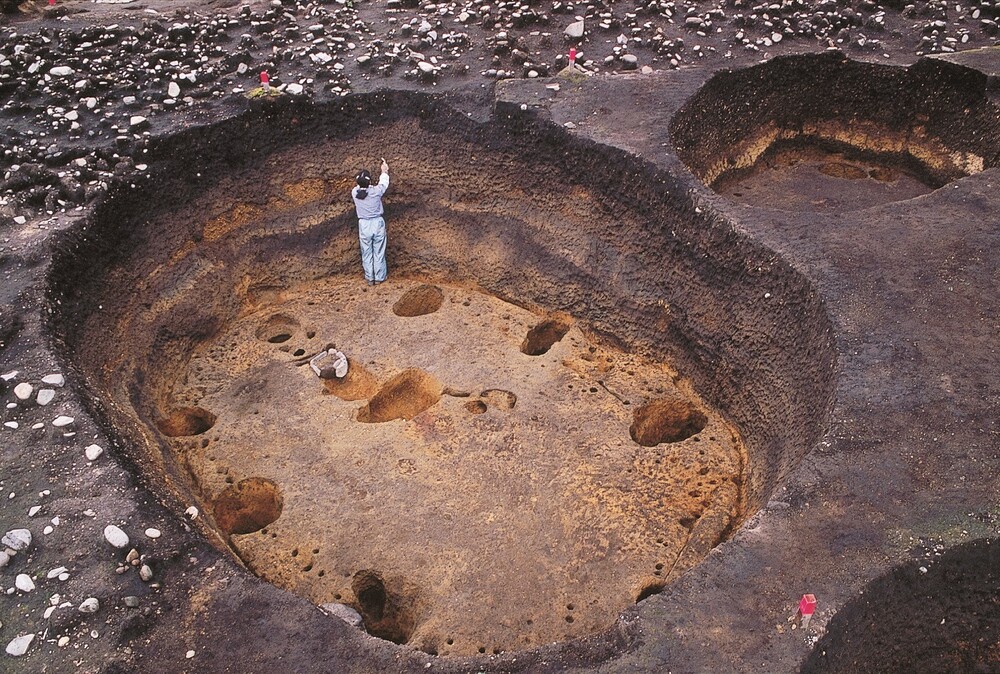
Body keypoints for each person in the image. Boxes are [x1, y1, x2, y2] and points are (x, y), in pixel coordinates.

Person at [352, 158, 390, 286]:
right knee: (378, 251)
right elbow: (384, 183)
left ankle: (370, 278)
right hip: (377, 223)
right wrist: (384, 171)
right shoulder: (375, 191)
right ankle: (379, 278)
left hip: (364, 225)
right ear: (369, 183)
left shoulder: (354, 193)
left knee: (367, 252)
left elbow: (361, 187)